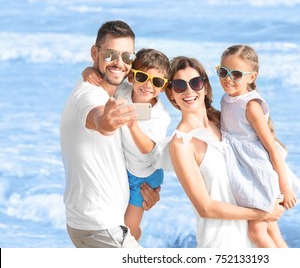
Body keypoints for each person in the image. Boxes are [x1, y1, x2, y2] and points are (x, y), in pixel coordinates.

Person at [163, 56, 284, 248]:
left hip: (256, 239)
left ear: (205, 86)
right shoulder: (180, 144)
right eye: (179, 85)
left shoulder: (226, 123)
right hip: (222, 244)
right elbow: (206, 208)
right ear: (170, 93)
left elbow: (264, 158)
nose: (189, 91)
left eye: (195, 83)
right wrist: (263, 213)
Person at [60, 20, 160, 248]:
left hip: (101, 224)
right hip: (100, 226)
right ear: (95, 53)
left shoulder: (118, 93)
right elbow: (98, 119)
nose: (119, 63)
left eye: (127, 57)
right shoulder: (89, 95)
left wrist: (139, 194)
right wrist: (105, 122)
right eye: (110, 55)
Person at [216, 44, 300, 248]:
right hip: (245, 171)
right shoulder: (226, 99)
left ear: (251, 77)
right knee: (271, 230)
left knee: (256, 232)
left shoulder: (251, 106)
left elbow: (272, 149)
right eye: (223, 71)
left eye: (236, 74)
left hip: (259, 172)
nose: (228, 79)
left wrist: (286, 189)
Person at [82, 48, 171, 241]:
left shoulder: (160, 115)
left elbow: (148, 148)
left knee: (126, 232)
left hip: (144, 176)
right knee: (114, 224)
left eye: (156, 82)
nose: (148, 85)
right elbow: (102, 80)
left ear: (163, 87)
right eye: (142, 77)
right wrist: (87, 72)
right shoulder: (123, 90)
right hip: (123, 169)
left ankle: (133, 246)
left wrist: (133, 126)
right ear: (131, 77)